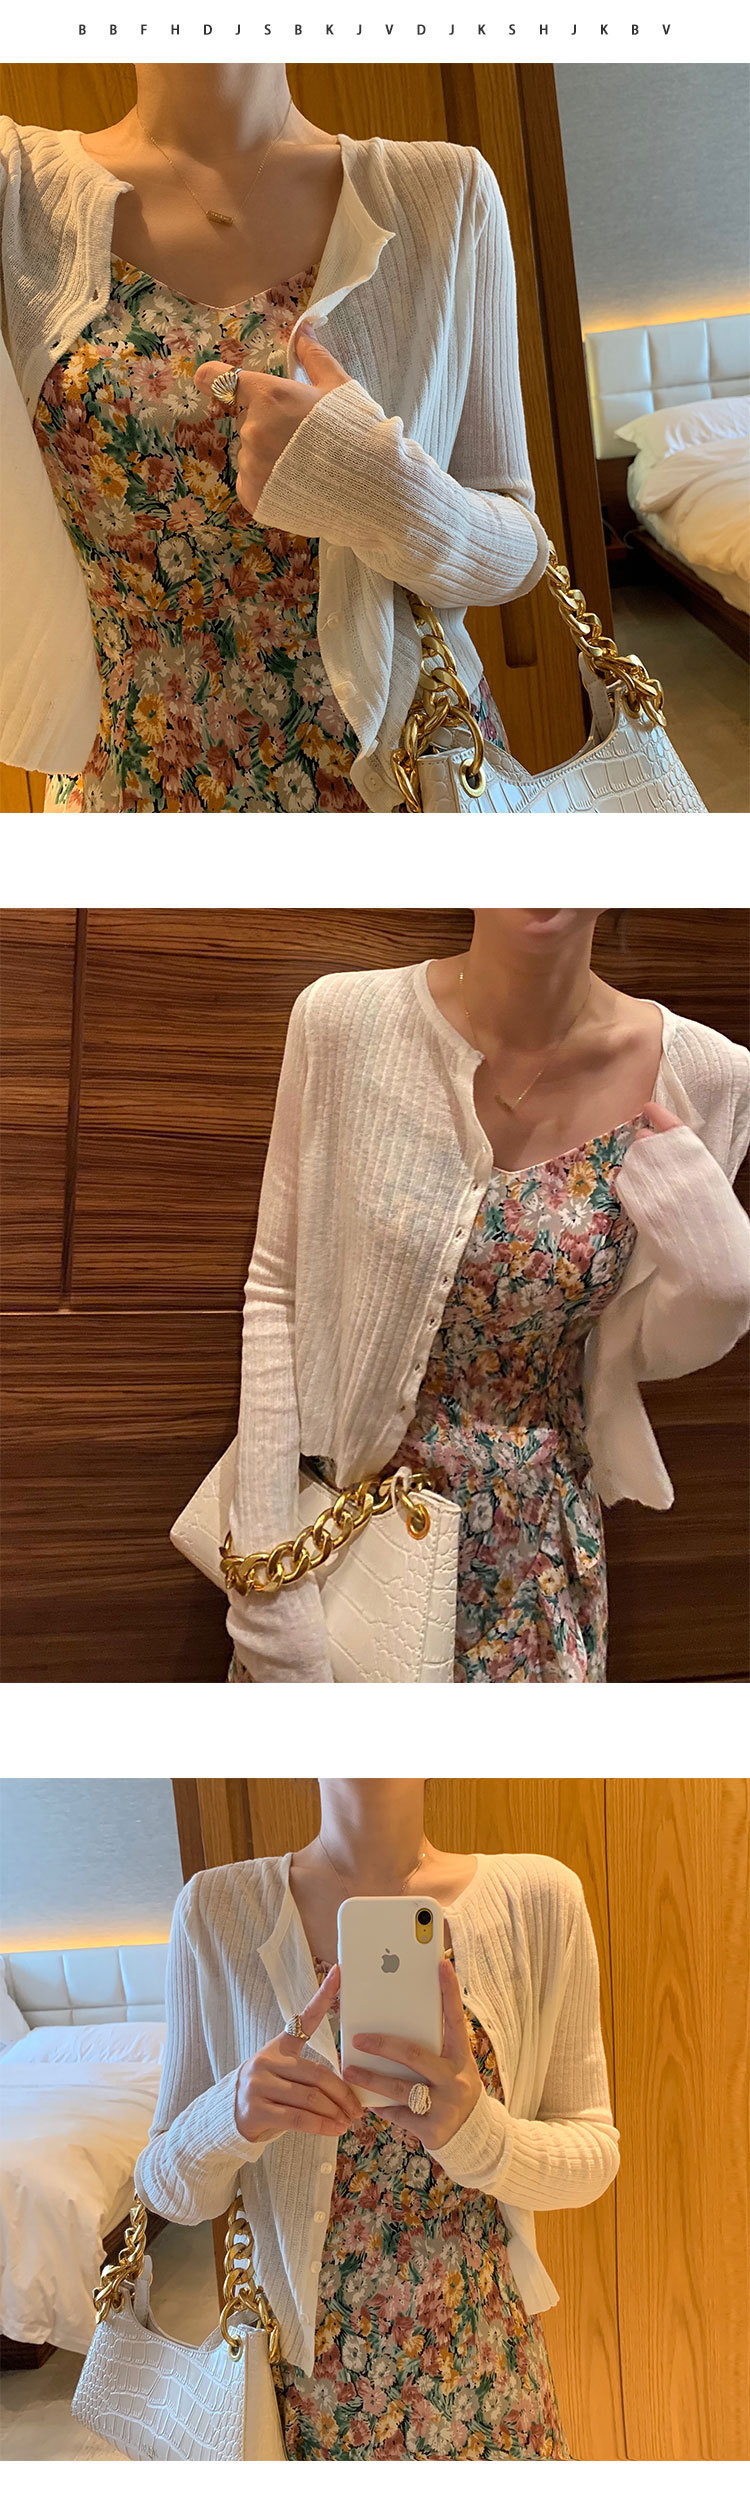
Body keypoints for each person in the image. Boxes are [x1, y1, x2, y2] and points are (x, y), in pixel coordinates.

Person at [0, 65, 547, 811]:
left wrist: (376, 487)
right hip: (135, 785)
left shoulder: (445, 194)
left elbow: (518, 550)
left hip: (412, 783)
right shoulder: (19, 192)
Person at [225, 909, 750, 1681]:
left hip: (538, 1566)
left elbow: (641, 1349)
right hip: (344, 1552)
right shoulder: (342, 1021)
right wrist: (269, 1605)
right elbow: (279, 1287)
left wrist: (725, 1285)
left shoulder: (708, 1076)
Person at [135, 1777, 619, 2460]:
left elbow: (595, 2153)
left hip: (488, 2378)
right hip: (310, 2398)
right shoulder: (216, 1910)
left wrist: (477, 2134)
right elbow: (162, 2187)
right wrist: (232, 2112)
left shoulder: (539, 1900)